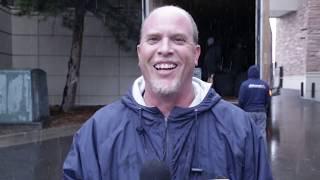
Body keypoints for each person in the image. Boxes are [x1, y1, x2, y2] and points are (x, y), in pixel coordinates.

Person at [63, 5, 273, 180]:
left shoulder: (242, 132)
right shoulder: (96, 133)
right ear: (140, 54)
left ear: (196, 53)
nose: (165, 49)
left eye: (178, 40)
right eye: (153, 39)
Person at [238, 65, 271, 144]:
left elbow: (241, 100)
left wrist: (243, 110)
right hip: (261, 112)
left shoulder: (244, 85)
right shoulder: (265, 85)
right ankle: (262, 152)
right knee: (262, 133)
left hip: (248, 113)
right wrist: (265, 110)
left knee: (249, 132)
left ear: (249, 73)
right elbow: (268, 100)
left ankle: (250, 151)